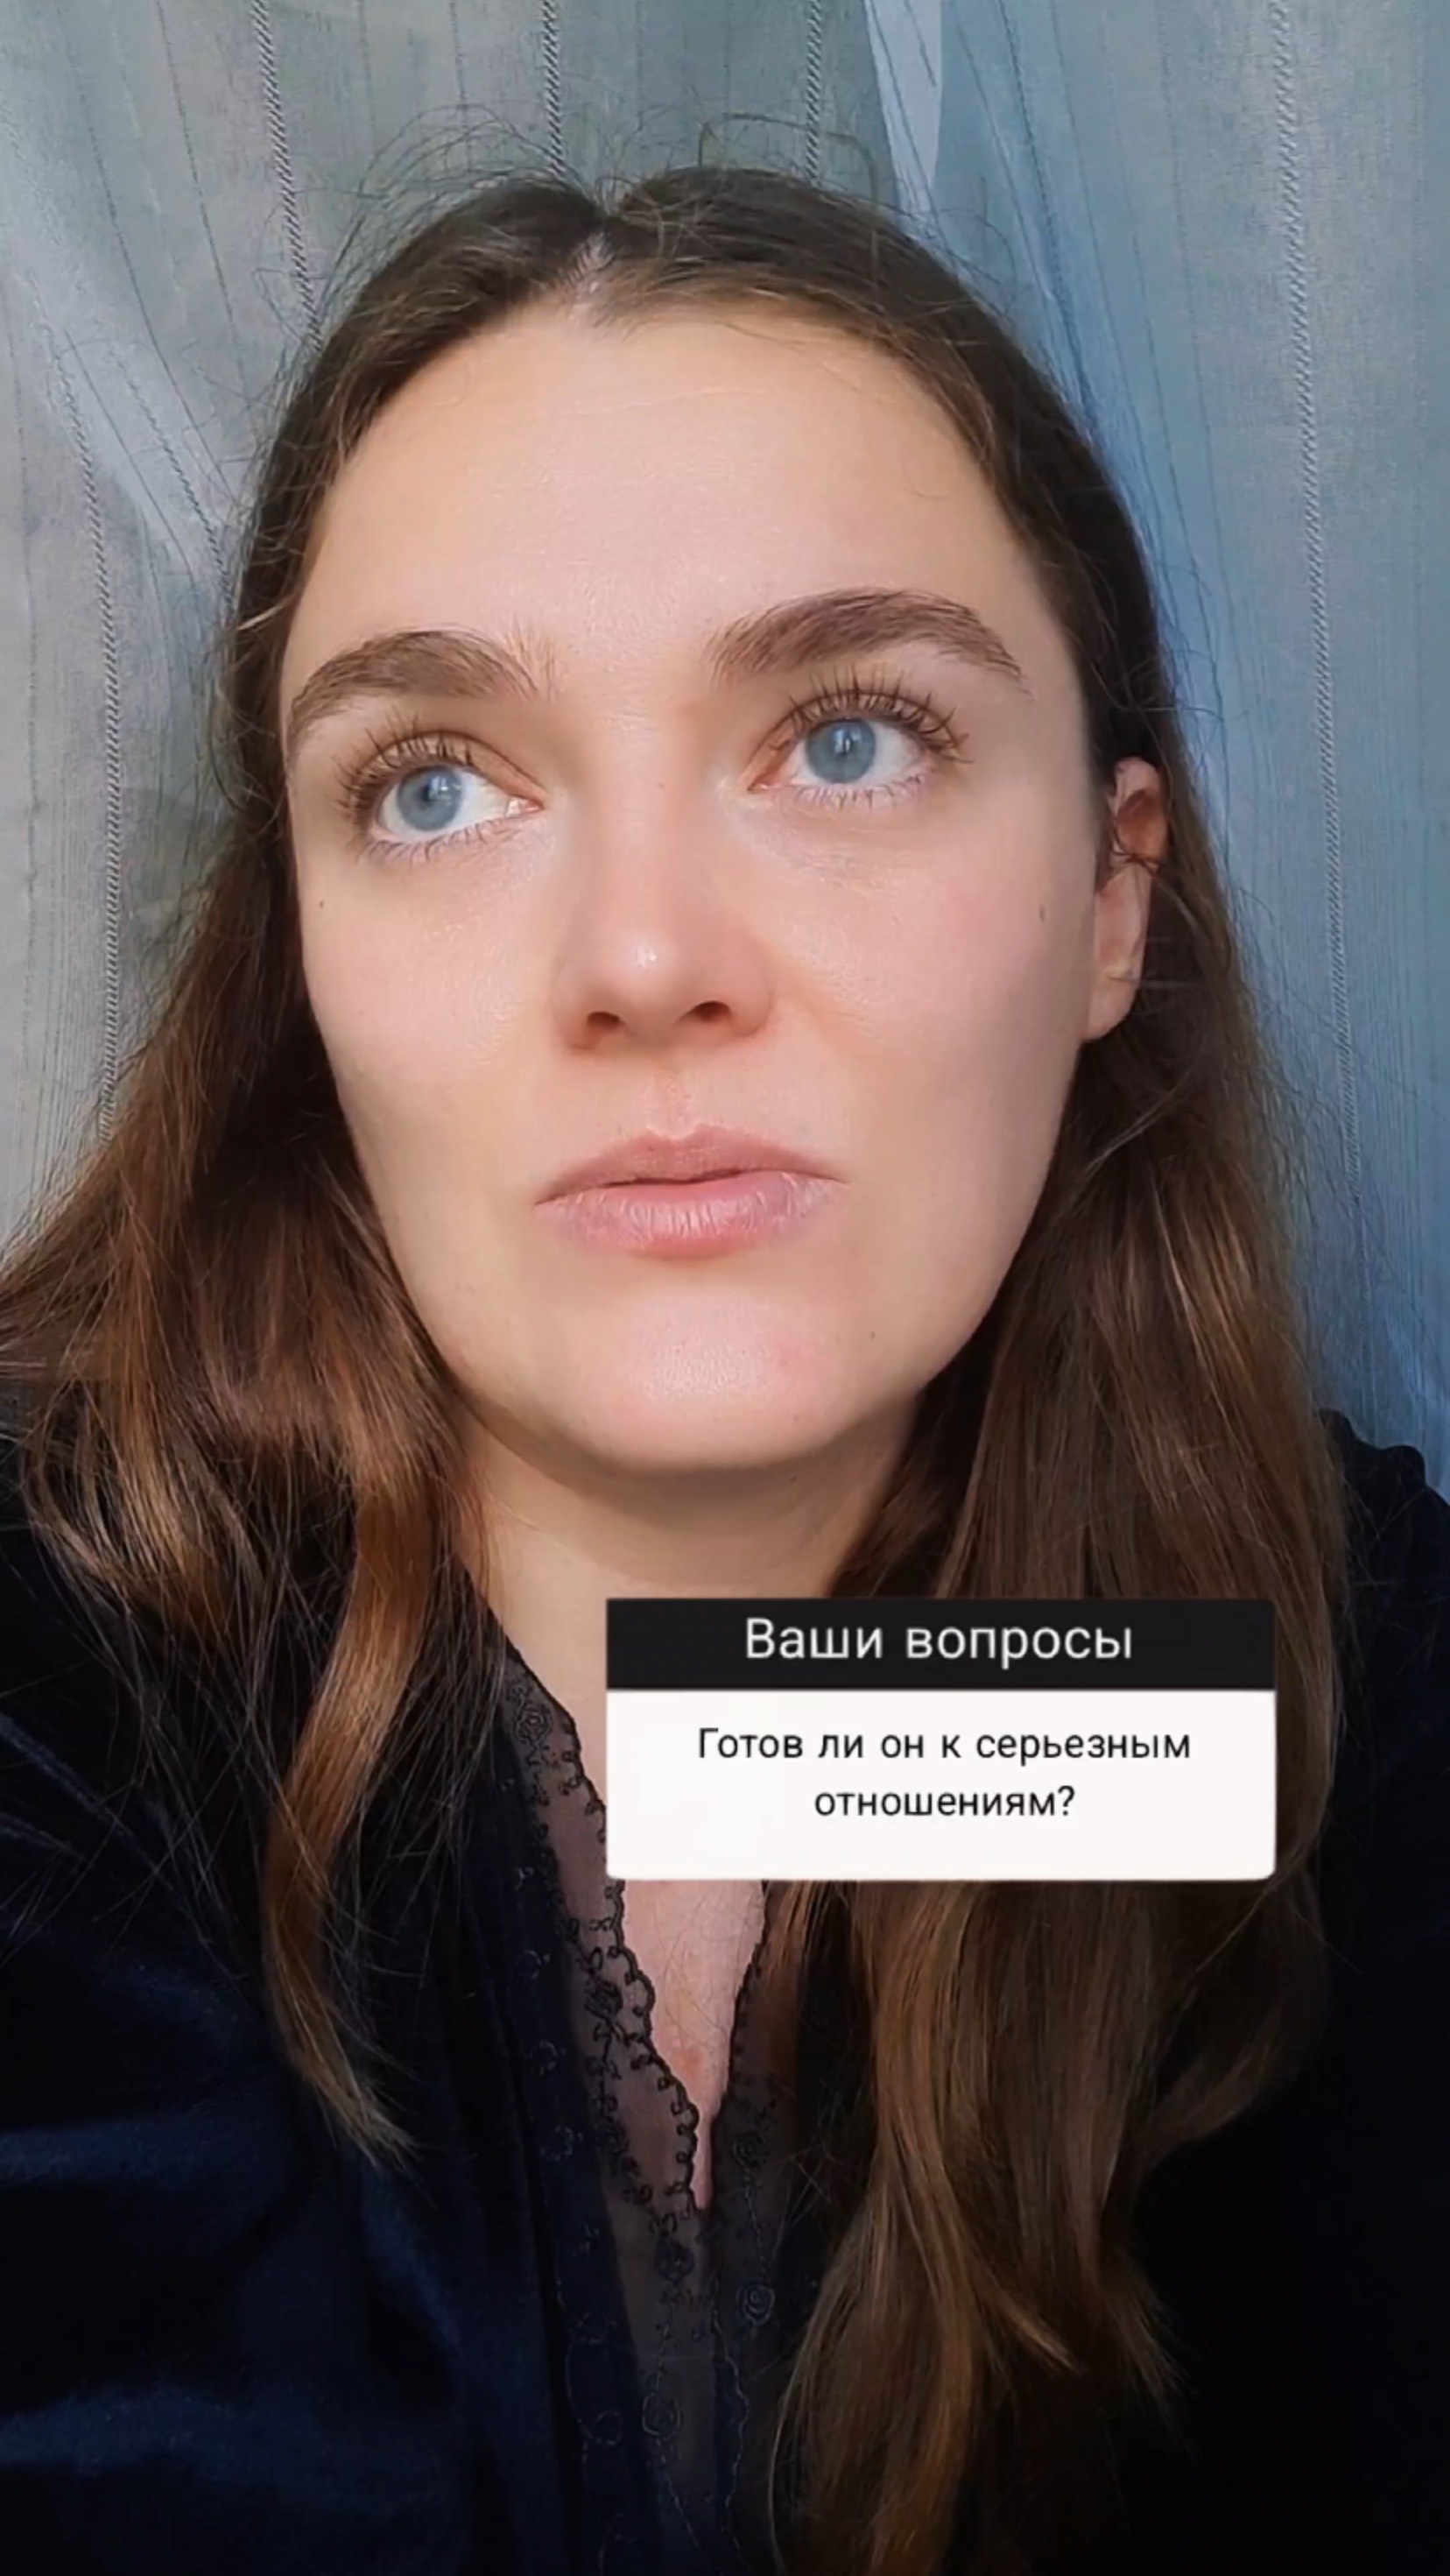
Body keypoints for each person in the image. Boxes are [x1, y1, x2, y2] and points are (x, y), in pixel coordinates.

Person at [0, 153, 1446, 2576]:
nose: (646, 956)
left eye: (850, 739)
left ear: (1113, 895)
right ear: (299, 958)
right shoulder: (56, 1686)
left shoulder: (1331, 1697)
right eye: (433, 786)